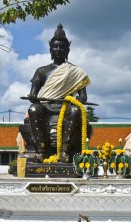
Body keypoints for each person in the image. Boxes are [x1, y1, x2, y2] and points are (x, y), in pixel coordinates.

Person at [27, 24, 91, 163]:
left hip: (65, 106)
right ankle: (40, 150)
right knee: (33, 109)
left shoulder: (75, 72)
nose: (58, 50)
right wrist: (33, 96)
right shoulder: (42, 71)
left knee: (75, 111)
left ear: (68, 50)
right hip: (45, 106)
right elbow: (33, 93)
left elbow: (83, 96)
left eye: (62, 47)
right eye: (55, 47)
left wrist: (81, 99)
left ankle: (65, 152)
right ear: (50, 50)